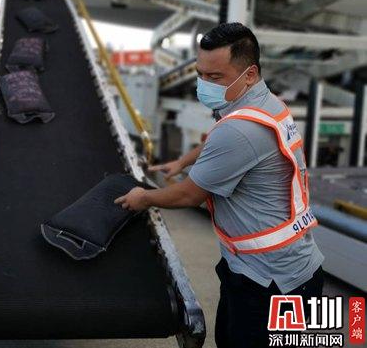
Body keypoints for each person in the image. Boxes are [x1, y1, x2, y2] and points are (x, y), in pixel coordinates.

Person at [115, 23, 324, 348]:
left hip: (271, 283)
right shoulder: (265, 103)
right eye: (200, 74)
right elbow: (222, 140)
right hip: (274, 268)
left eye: (215, 77)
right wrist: (183, 161)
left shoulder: (240, 131)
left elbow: (188, 194)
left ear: (249, 74)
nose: (204, 85)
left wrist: (144, 197)